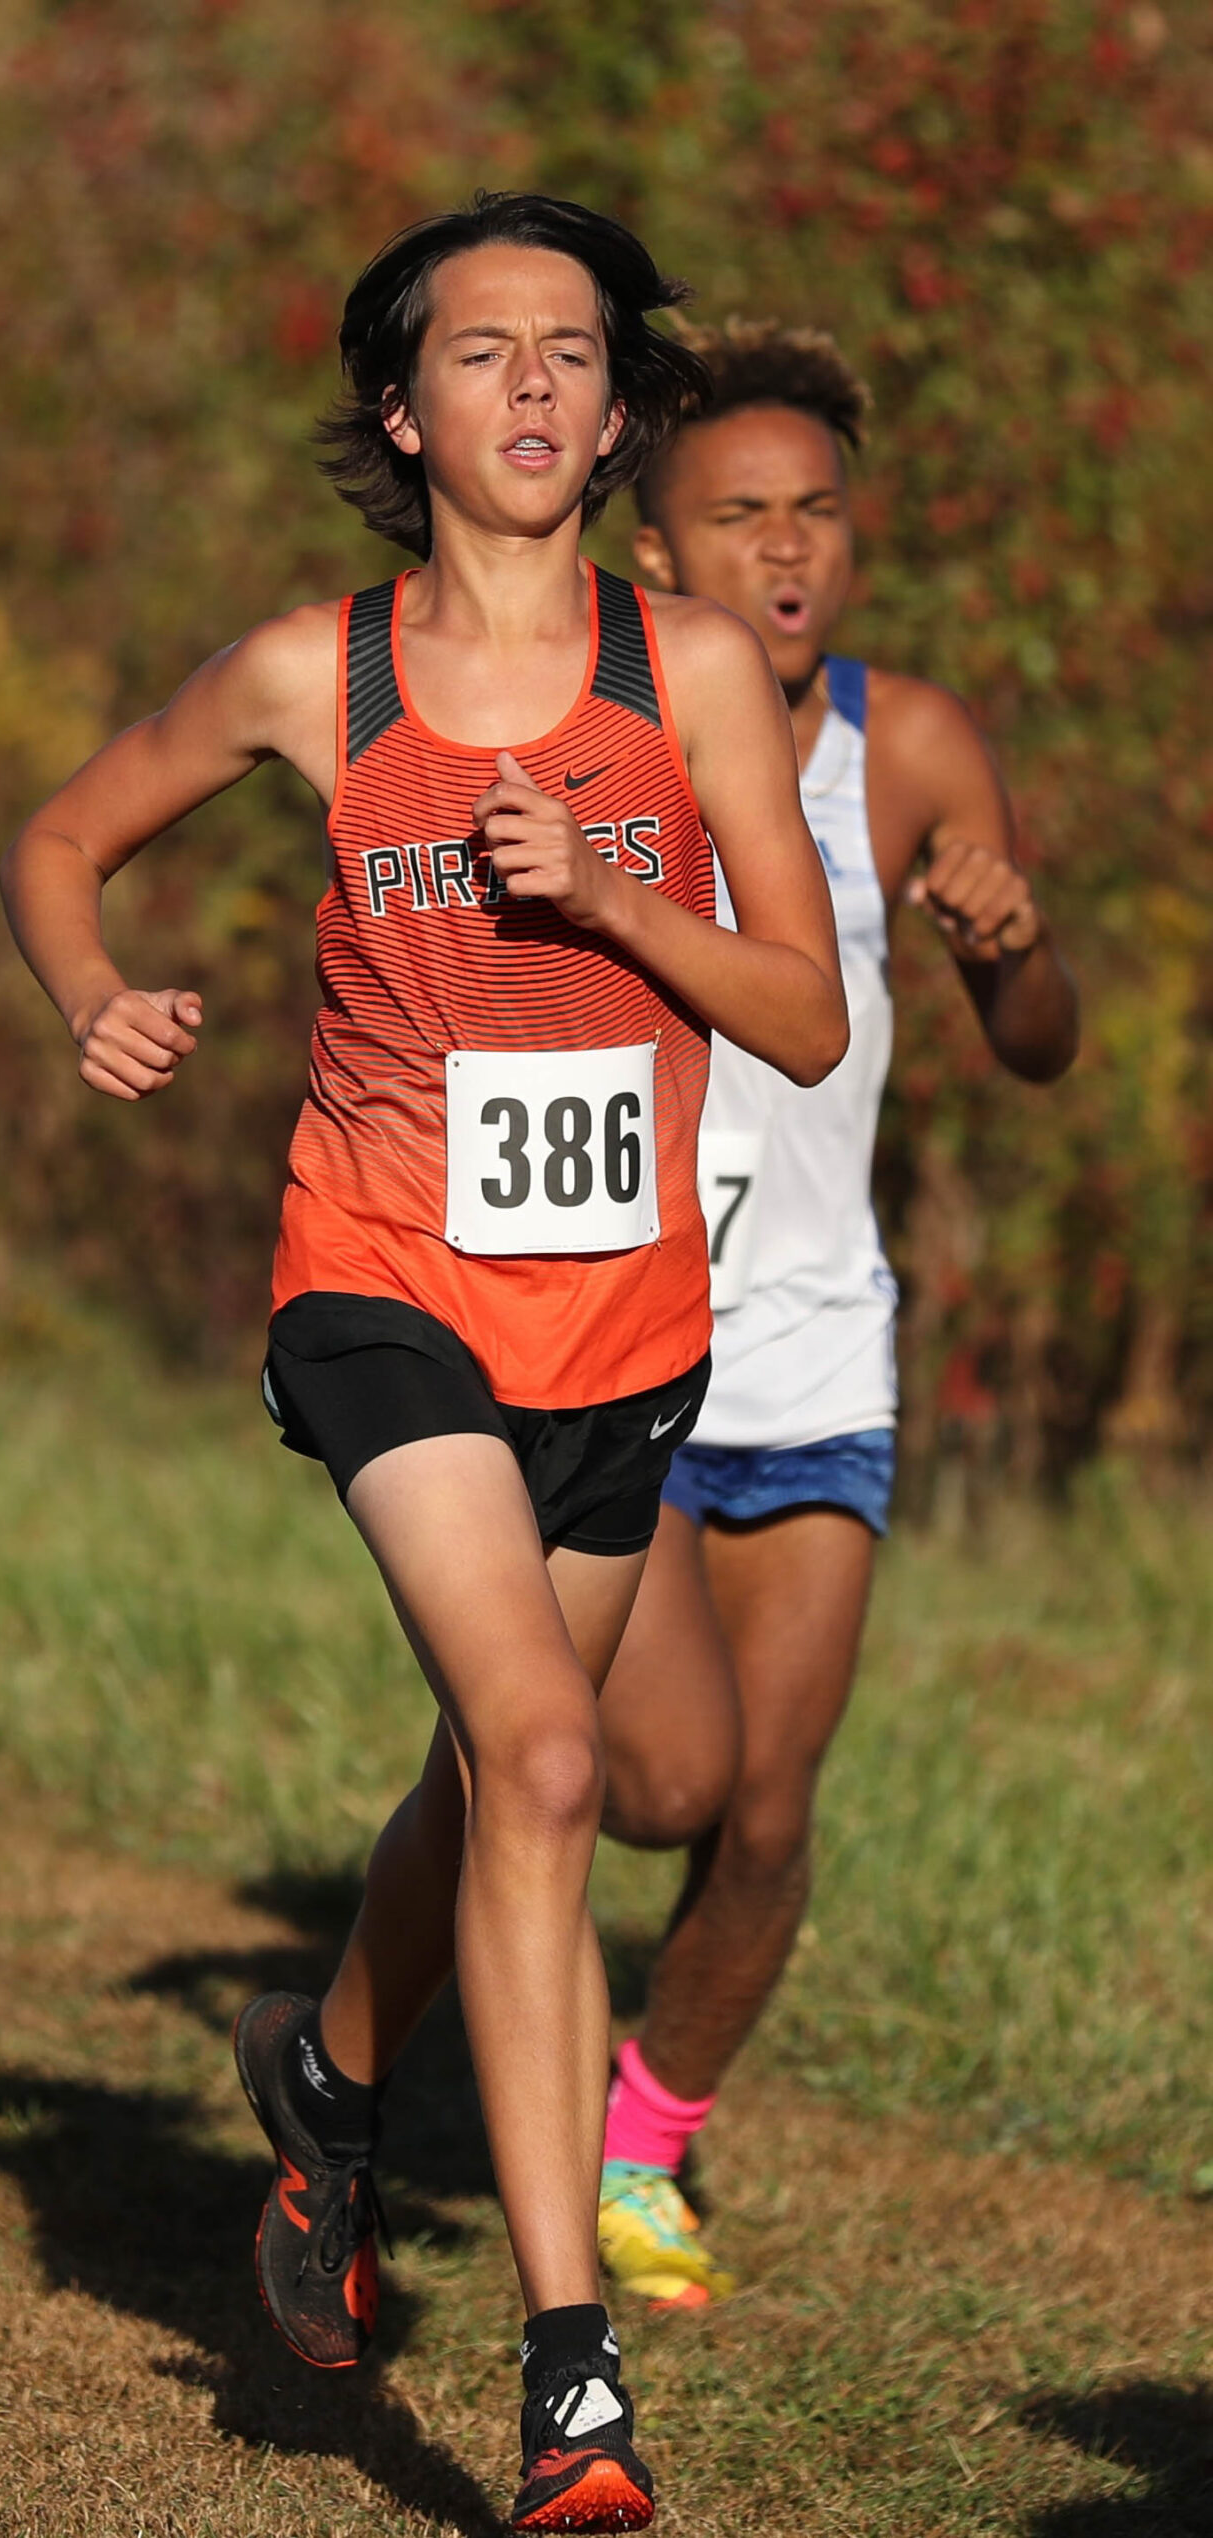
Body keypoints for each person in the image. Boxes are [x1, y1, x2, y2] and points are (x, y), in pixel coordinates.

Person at [1, 194, 848, 2531]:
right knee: (550, 1754)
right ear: (399, 411)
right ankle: (570, 2386)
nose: (533, 386)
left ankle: (326, 2087)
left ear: (615, 404)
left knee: (495, 1782)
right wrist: (90, 993)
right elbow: (63, 836)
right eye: (481, 351)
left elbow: (802, 1014)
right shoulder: (317, 674)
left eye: (571, 350)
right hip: (379, 1286)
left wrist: (609, 891)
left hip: (623, 1323)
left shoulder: (686, 675)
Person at [588, 320, 1078, 2308]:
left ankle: (640, 2150)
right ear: (652, 552)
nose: (785, 549)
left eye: (815, 511)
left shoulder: (915, 745)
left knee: (767, 1819)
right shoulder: (595, 738)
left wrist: (1011, 945)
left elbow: (1036, 1046)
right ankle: (443, 1913)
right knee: (651, 1786)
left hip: (812, 1346)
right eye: (738, 515)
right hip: (617, 1338)